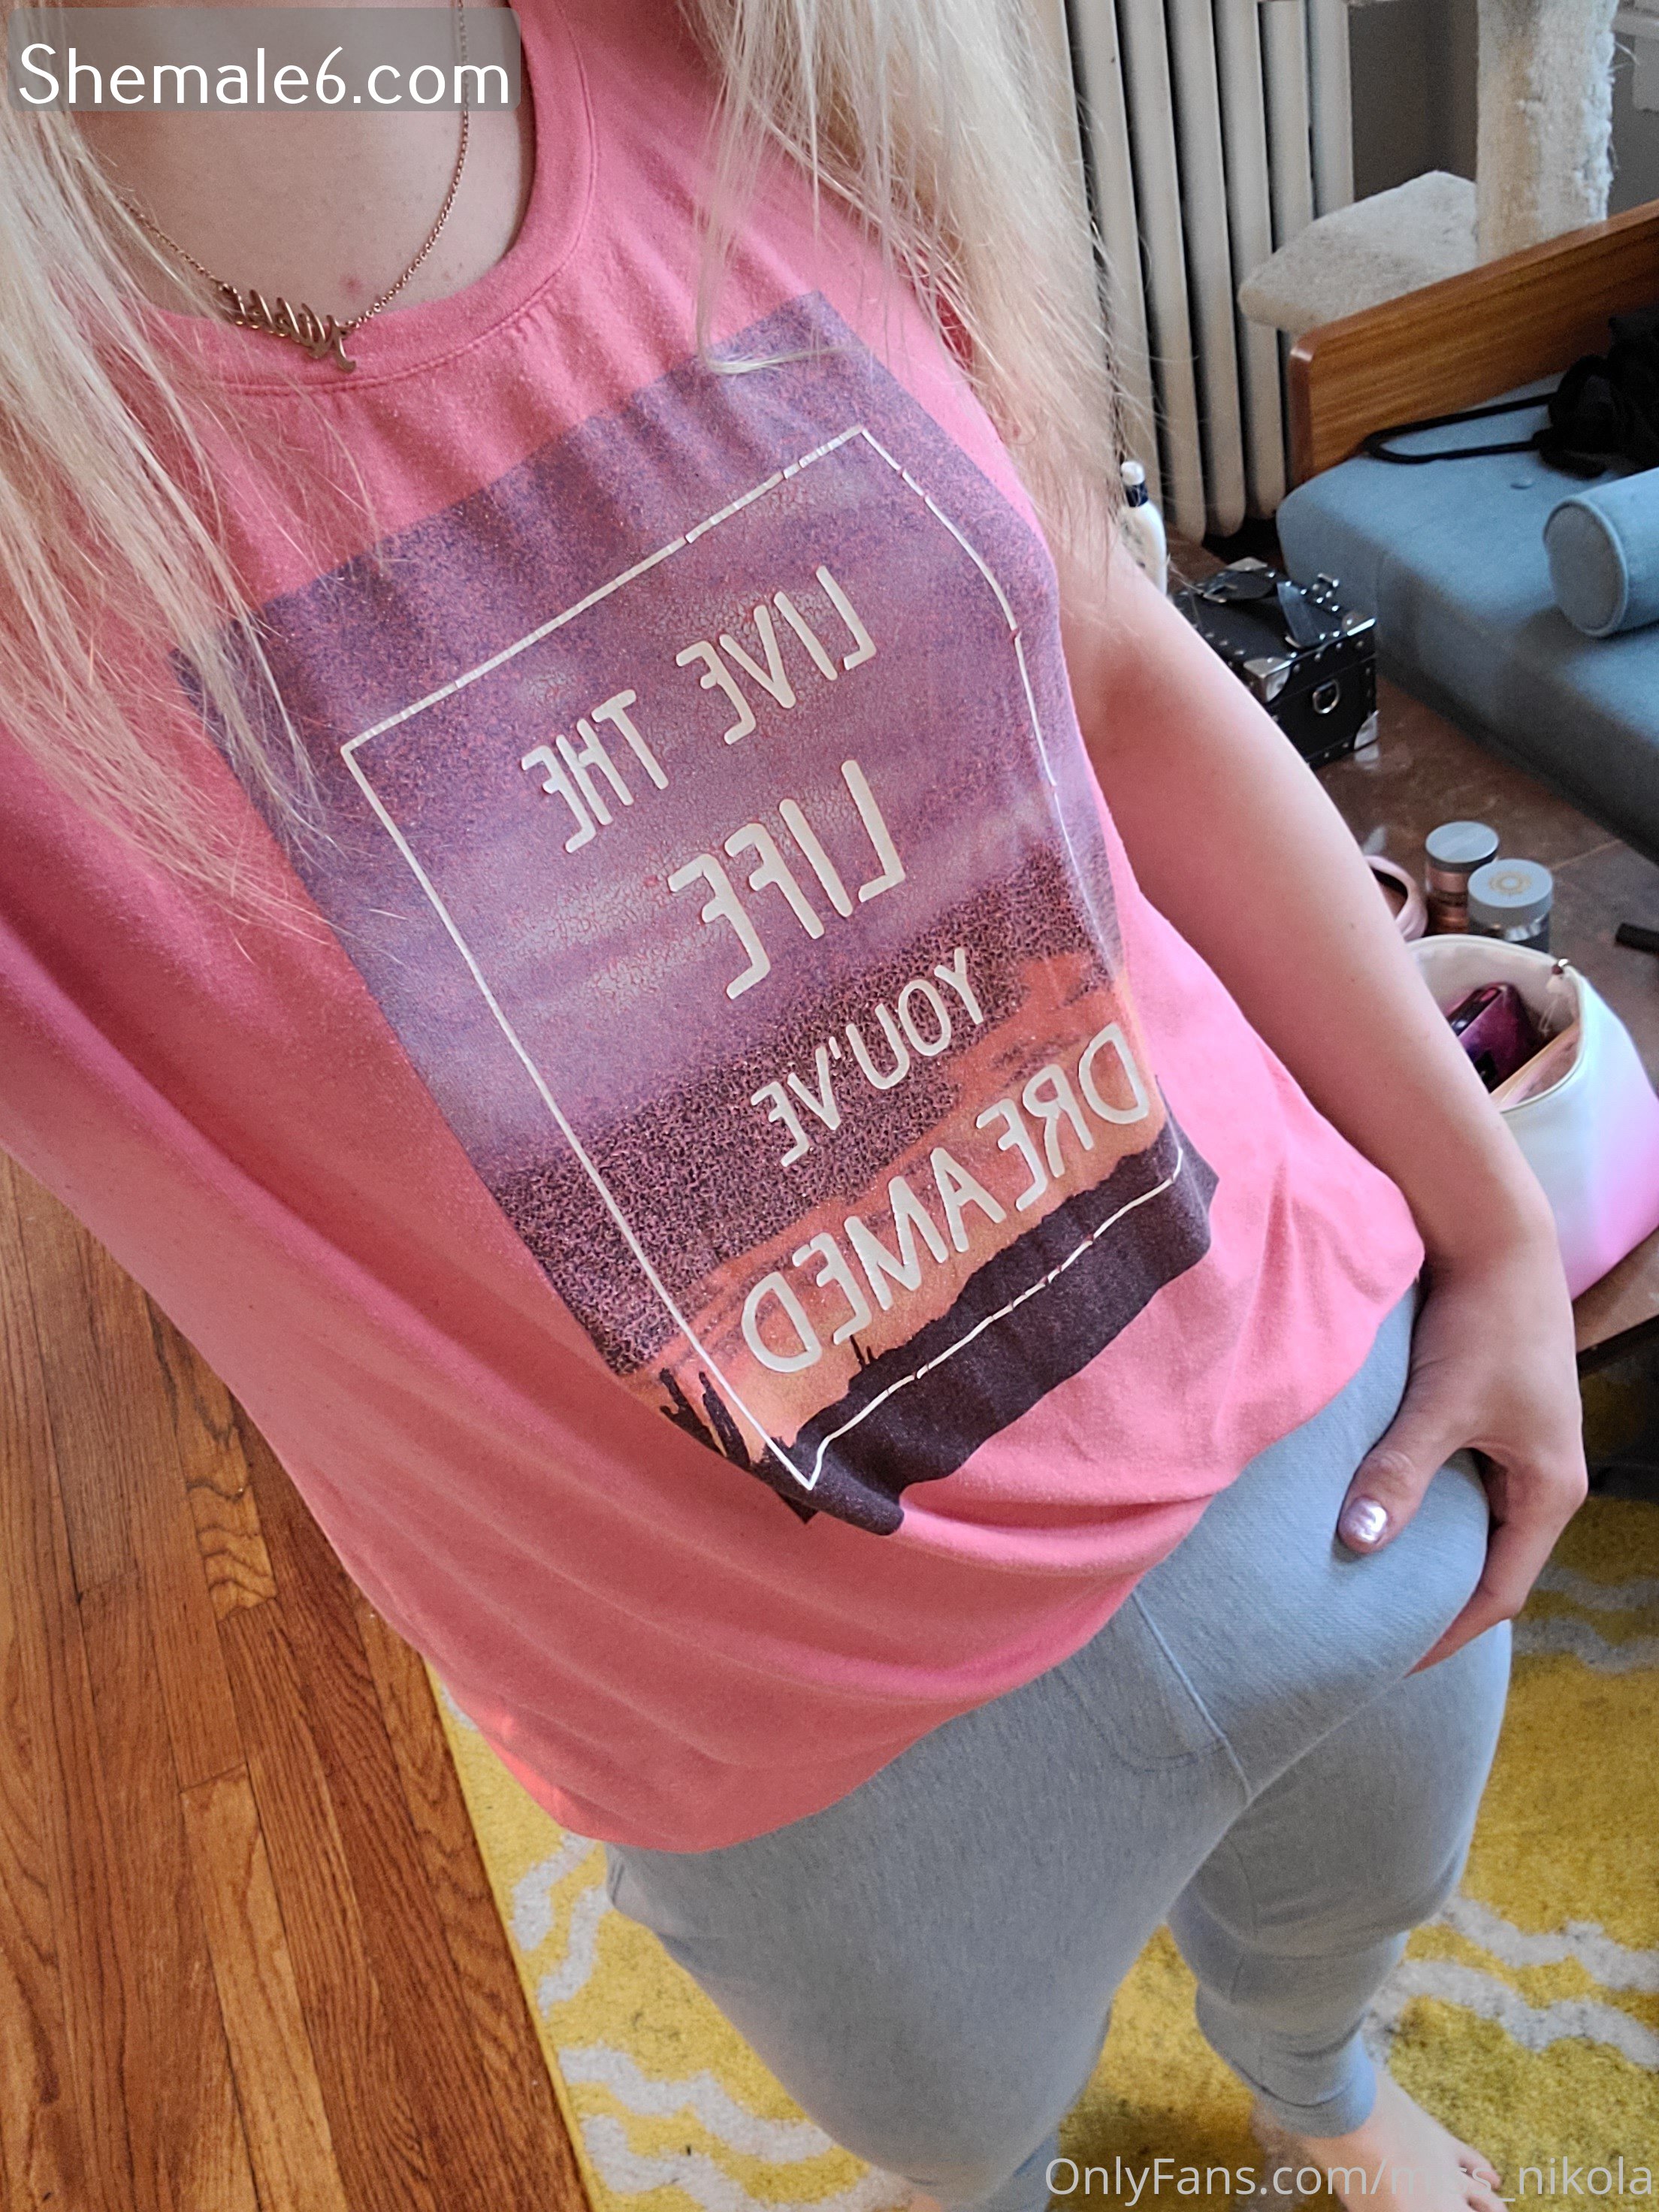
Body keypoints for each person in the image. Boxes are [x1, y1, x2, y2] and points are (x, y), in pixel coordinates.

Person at [0, 4, 1586, 2209]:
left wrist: (1492, 1228)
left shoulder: (794, 49)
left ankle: (1315, 2094)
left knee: (1352, 1921)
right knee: (973, 2146)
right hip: (814, 1774)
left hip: (1332, 1425)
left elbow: (1107, 657)